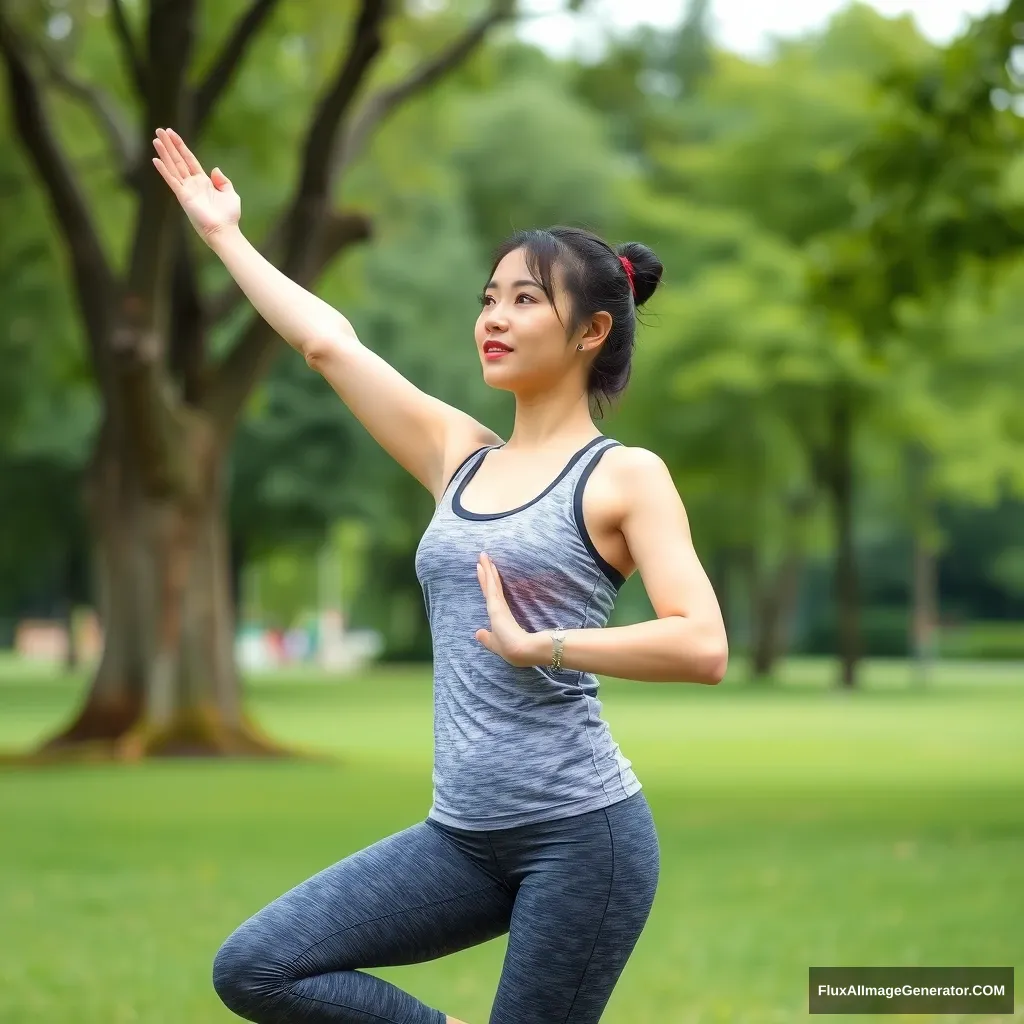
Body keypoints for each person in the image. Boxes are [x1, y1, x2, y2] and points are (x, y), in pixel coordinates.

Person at [152, 127, 728, 1024]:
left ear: (593, 330)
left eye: (525, 300)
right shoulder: (458, 455)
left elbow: (702, 642)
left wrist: (546, 644)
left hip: (583, 837)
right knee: (260, 967)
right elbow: (330, 345)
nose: (493, 318)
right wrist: (225, 234)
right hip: (461, 837)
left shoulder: (624, 475)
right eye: (488, 297)